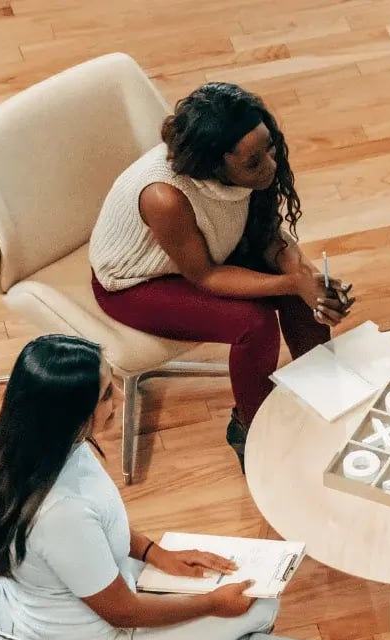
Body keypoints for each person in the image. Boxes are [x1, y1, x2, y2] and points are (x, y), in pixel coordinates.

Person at [0, 334, 278, 640]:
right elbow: (123, 612)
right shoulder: (60, 513)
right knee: (263, 606)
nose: (119, 396)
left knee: (233, 587)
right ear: (70, 413)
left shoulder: (36, 448)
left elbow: (101, 524)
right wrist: (211, 605)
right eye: (105, 396)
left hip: (78, 605)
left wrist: (155, 552)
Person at [89, 82, 355, 469]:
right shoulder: (165, 196)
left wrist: (308, 279)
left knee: (299, 286)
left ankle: (323, 388)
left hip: (209, 251)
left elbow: (265, 235)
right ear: (214, 164)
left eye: (270, 146)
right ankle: (252, 428)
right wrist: (293, 281)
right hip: (137, 282)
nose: (271, 164)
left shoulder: (251, 166)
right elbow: (205, 276)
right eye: (253, 162)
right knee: (253, 323)